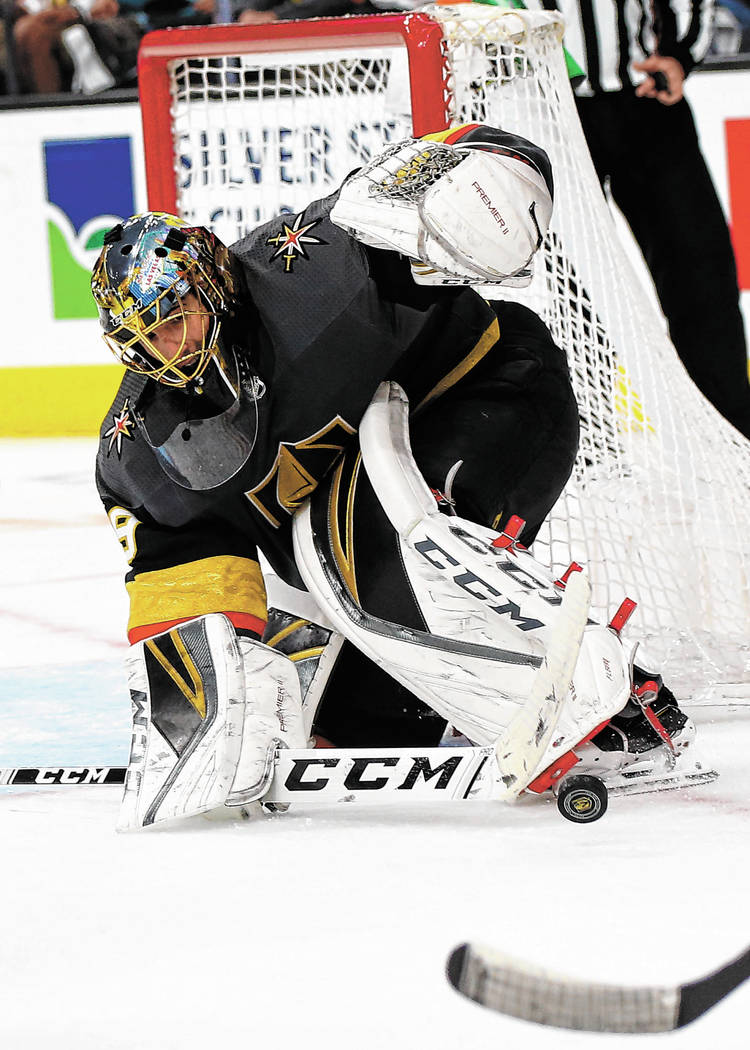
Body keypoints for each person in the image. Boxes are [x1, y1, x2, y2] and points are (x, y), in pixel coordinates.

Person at [91, 123, 694, 829]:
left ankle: (621, 697)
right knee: (357, 717)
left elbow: (472, 162)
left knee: (379, 546)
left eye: (174, 319)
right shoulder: (140, 455)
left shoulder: (314, 272)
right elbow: (191, 603)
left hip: (495, 394)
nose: (163, 347)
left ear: (213, 286)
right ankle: (488, 700)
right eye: (141, 336)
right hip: (369, 489)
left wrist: (487, 184)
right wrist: (209, 723)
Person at [525, 0, 750, 438]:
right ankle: (585, 442)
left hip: (644, 100)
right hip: (546, 108)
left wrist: (682, 52)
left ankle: (734, 436)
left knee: (701, 277)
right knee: (575, 290)